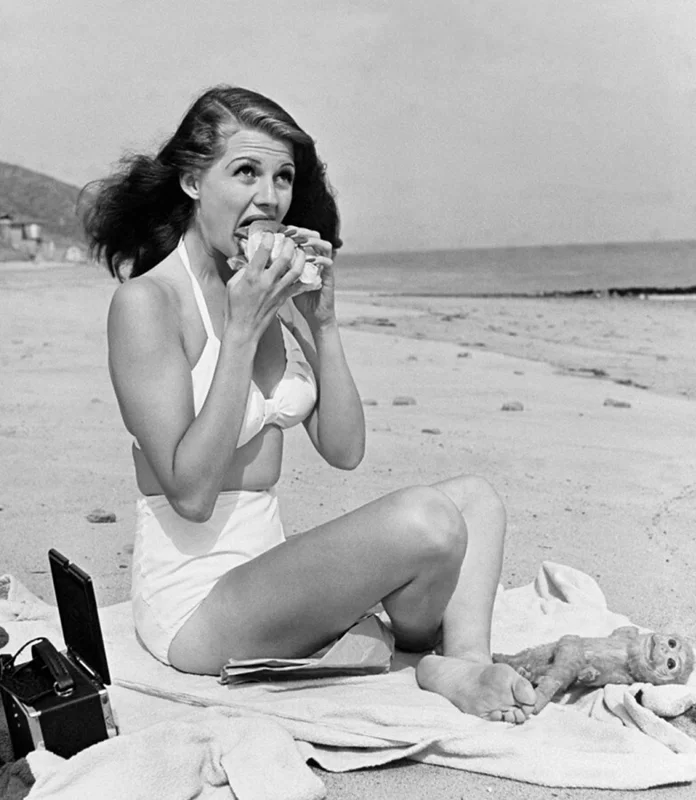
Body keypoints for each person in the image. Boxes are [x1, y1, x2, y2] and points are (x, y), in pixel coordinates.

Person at [82, 84, 536, 724]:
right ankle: (423, 646)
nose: (269, 197)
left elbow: (345, 450)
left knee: (477, 501)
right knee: (429, 520)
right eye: (245, 172)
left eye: (283, 177)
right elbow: (191, 494)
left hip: (269, 576)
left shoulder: (267, 289)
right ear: (192, 181)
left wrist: (321, 321)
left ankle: (459, 659)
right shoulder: (147, 304)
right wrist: (242, 329)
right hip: (194, 608)